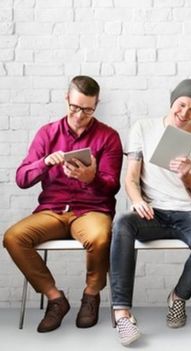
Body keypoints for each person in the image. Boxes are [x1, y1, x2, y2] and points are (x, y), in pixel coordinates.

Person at [3, 76, 123, 332]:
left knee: (101, 237)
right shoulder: (47, 133)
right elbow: (21, 179)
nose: (80, 115)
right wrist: (44, 163)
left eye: (88, 109)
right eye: (75, 107)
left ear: (96, 104)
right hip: (53, 210)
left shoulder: (109, 137)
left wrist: (91, 178)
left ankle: (91, 295)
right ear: (67, 99)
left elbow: (113, 185)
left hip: (92, 210)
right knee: (13, 237)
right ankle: (55, 299)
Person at [109, 79, 191, 346]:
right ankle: (122, 313)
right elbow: (131, 178)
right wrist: (137, 201)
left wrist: (186, 176)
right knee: (123, 223)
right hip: (152, 211)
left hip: (189, 212)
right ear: (172, 102)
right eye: (181, 105)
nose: (184, 113)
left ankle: (178, 297)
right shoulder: (143, 128)